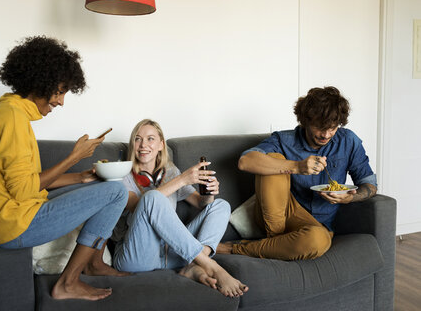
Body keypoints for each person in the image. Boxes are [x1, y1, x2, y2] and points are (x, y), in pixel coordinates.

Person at [0, 36, 129, 301]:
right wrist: (73, 157)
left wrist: (80, 176)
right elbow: (25, 191)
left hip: (13, 215)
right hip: (13, 223)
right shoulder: (12, 118)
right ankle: (68, 282)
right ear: (40, 83)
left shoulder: (11, 113)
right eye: (60, 91)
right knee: (116, 192)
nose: (61, 102)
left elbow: (28, 182)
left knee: (104, 187)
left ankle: (92, 263)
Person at [217, 86, 377, 260]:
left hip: (317, 227)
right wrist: (297, 166)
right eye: (319, 127)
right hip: (281, 212)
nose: (325, 134)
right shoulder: (284, 140)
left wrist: (350, 198)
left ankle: (249, 247)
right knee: (274, 158)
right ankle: (276, 240)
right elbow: (245, 161)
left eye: (332, 128)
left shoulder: (348, 141)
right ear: (305, 120)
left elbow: (370, 184)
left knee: (318, 240)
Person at [111, 119, 249, 297]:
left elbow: (201, 203)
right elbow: (139, 205)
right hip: (138, 257)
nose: (143, 144)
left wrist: (210, 193)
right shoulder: (121, 174)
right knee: (152, 197)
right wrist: (183, 179)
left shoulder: (170, 172)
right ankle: (210, 265)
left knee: (221, 205)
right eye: (138, 139)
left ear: (161, 144)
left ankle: (193, 264)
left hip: (173, 252)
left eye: (150, 139)